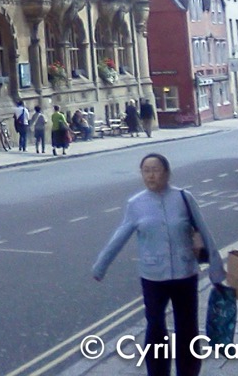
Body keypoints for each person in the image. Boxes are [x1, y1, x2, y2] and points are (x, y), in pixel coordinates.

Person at [93, 153, 226, 376]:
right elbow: (120, 236)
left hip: (185, 273)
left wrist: (216, 269)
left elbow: (204, 232)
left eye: (155, 170)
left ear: (166, 172)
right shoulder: (135, 204)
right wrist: (101, 266)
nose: (151, 175)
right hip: (153, 276)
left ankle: (188, 372)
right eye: (146, 170)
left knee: (187, 329)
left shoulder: (184, 198)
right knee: (155, 326)